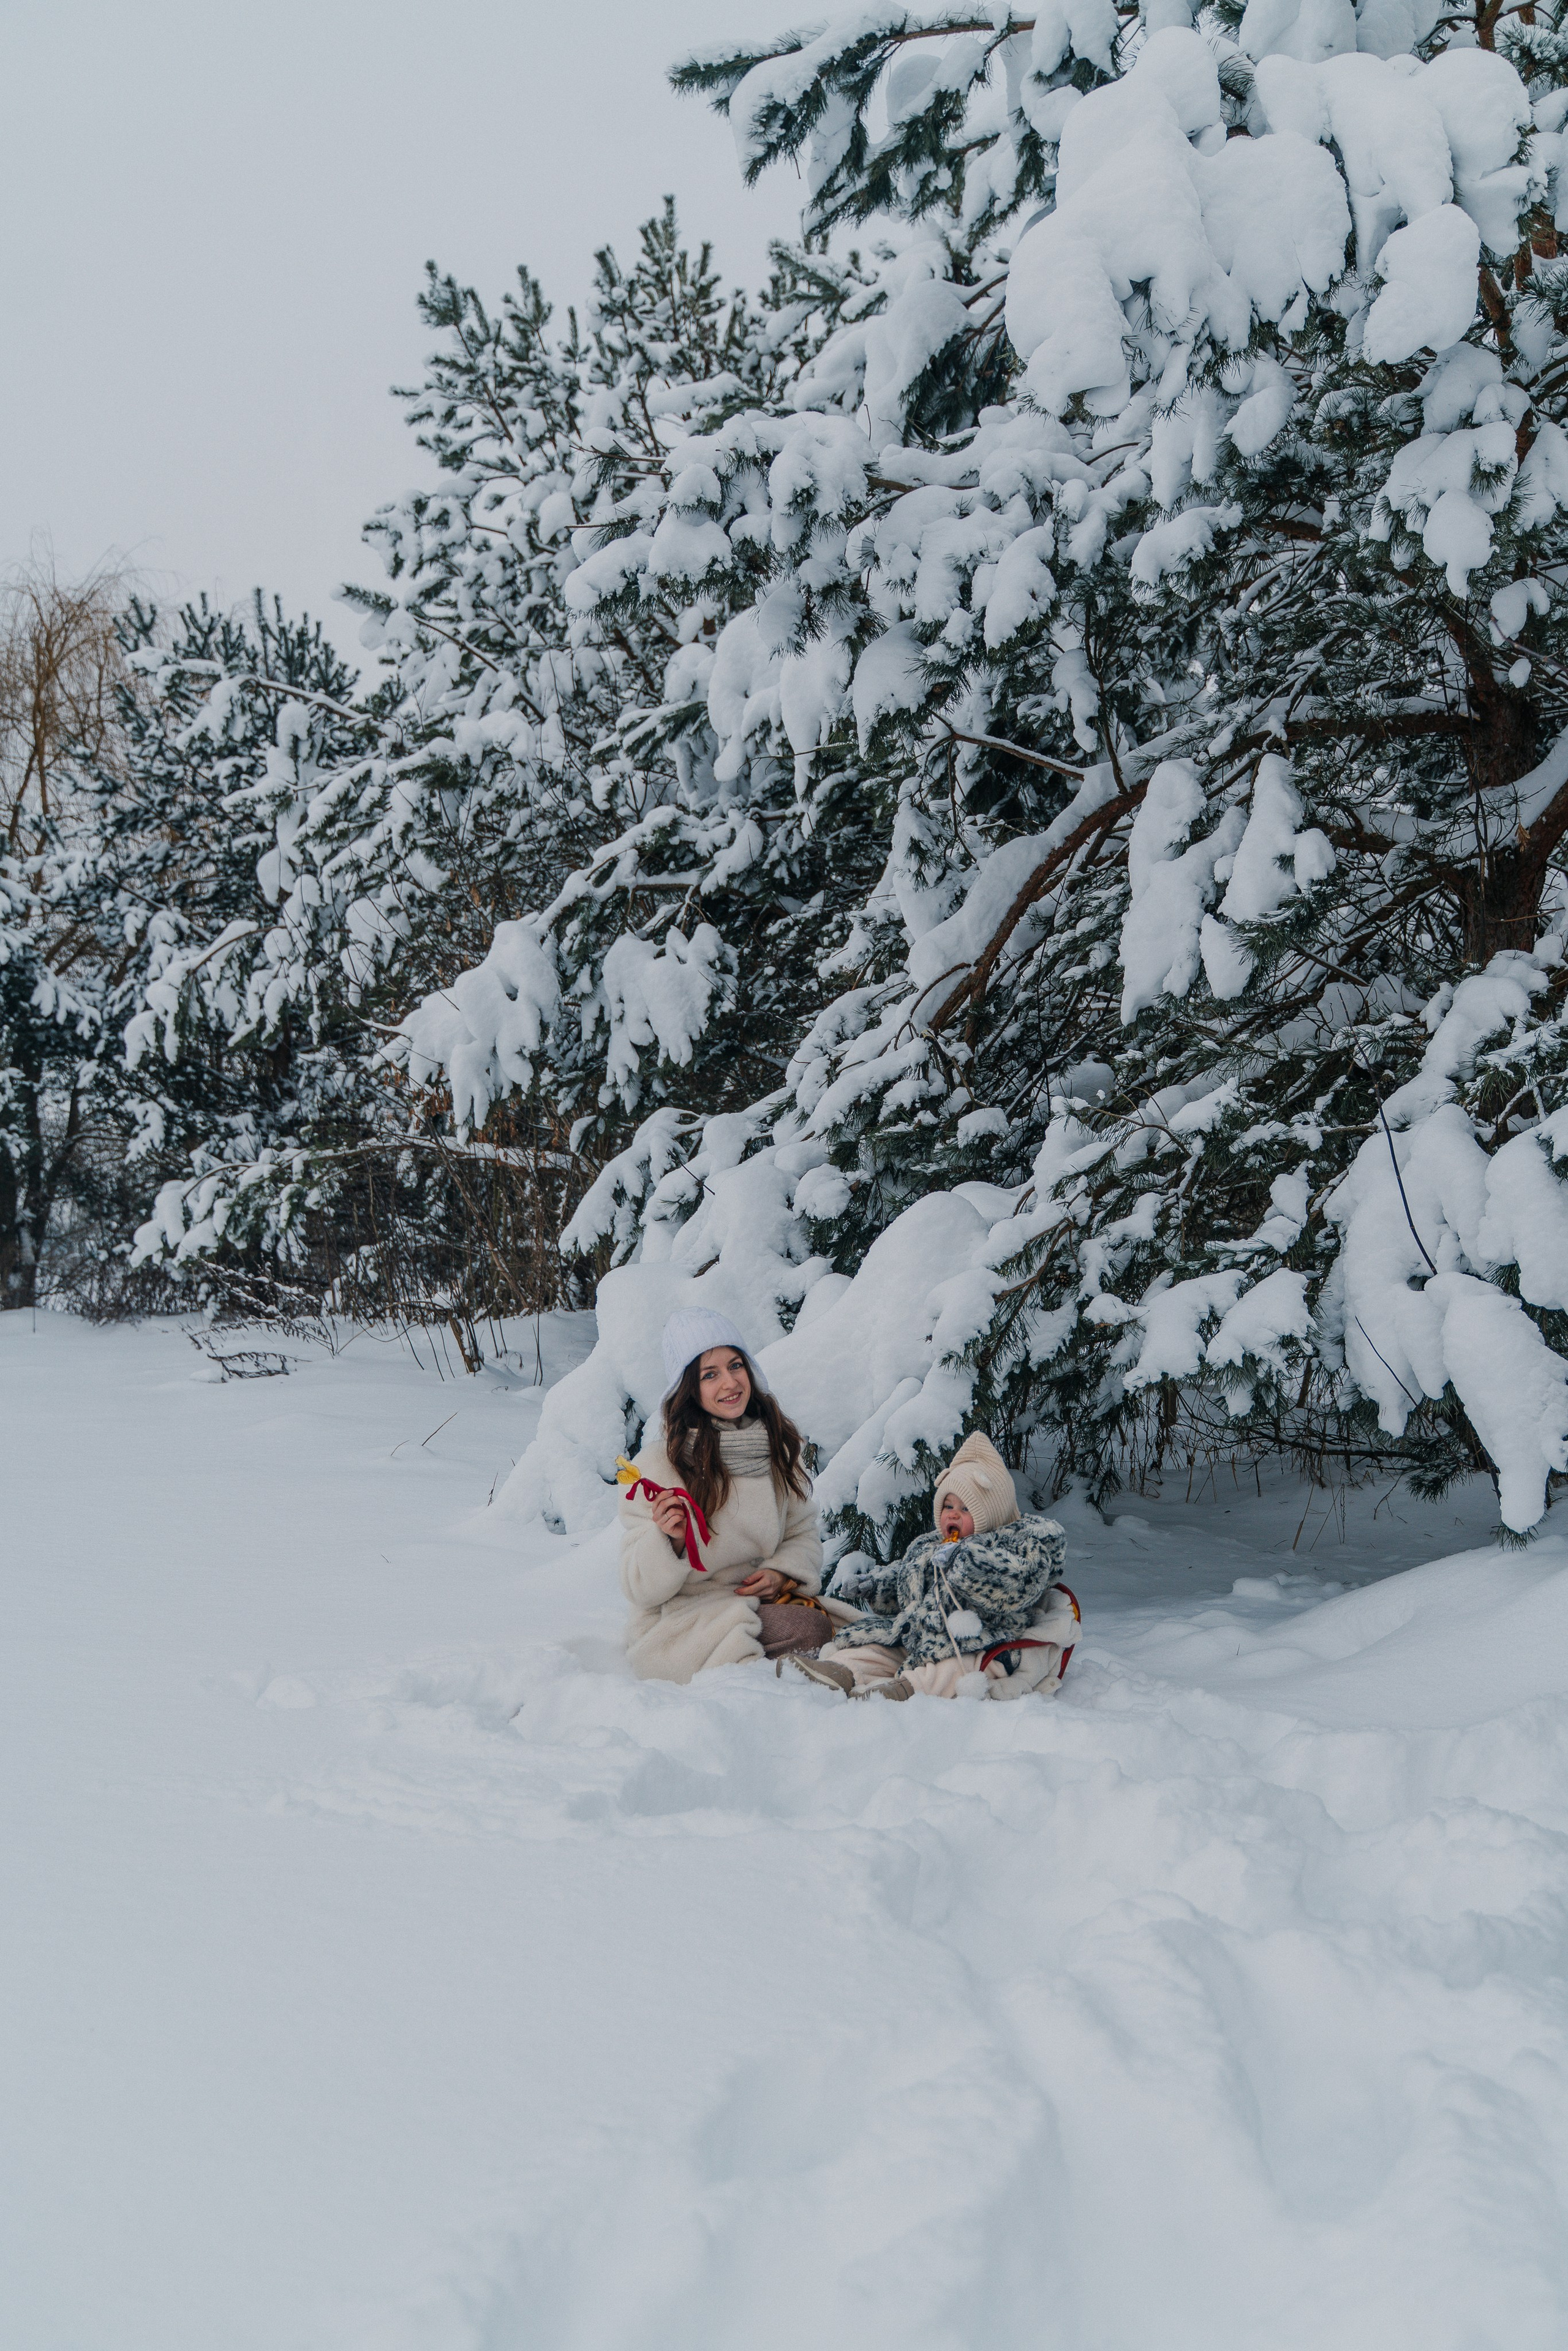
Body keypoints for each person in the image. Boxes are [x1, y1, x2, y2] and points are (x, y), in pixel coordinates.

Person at [617, 1308, 836, 1681]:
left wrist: (782, 1573)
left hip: (764, 1603)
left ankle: (797, 1679)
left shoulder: (775, 1448)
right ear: (688, 1388)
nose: (730, 1382)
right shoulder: (659, 1465)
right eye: (710, 1374)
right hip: (688, 1620)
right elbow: (637, 1587)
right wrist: (670, 1540)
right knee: (811, 1630)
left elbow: (801, 1532)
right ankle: (780, 1686)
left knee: (846, 1636)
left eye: (735, 1366)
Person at [794, 1432, 1076, 1700]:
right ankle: (842, 1670)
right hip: (922, 1637)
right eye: (947, 1506)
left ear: (991, 1512)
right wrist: (878, 1586)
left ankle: (906, 1690)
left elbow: (1016, 1582)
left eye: (966, 1509)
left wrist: (966, 1561)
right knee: (877, 1647)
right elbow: (910, 1582)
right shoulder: (932, 1546)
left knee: (952, 1670)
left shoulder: (1019, 1545)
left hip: (982, 1642)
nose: (953, 1515)